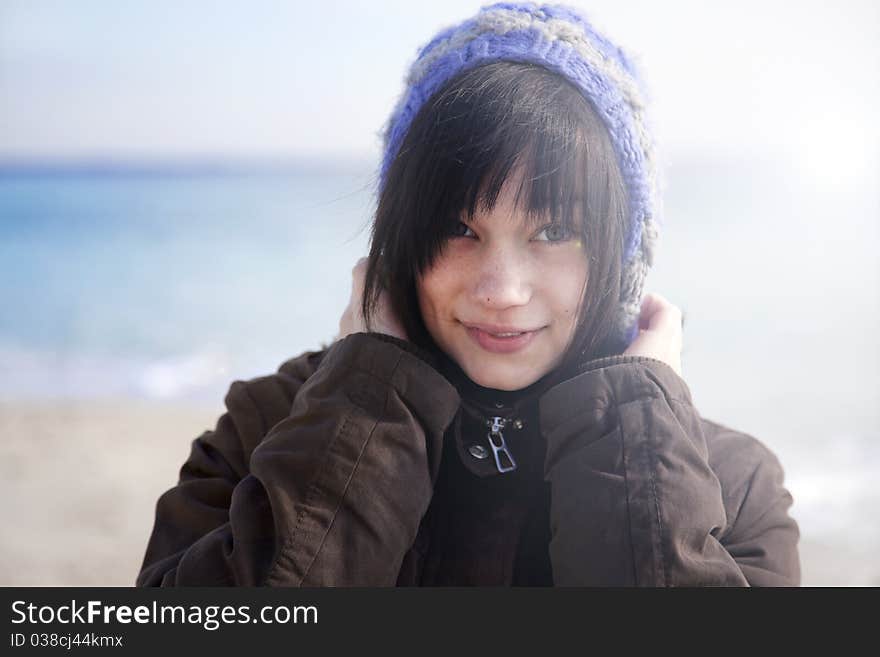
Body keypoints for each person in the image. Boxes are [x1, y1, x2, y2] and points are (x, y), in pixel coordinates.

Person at [136, 2, 800, 586]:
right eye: (459, 227)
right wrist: (364, 414)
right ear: (400, 236)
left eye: (556, 229)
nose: (503, 290)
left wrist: (635, 440)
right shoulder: (268, 431)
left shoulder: (728, 484)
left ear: (621, 252)